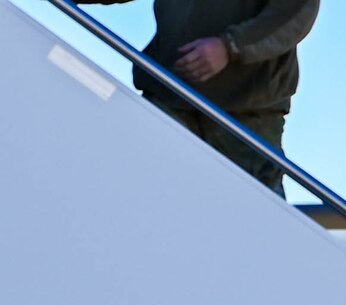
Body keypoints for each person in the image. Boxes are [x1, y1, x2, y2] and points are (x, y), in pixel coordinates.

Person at [86, 2, 319, 195]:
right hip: (169, 95)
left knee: (252, 218)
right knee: (143, 197)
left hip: (245, 115)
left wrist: (230, 47)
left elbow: (296, 12)